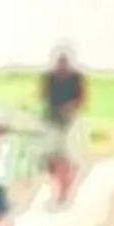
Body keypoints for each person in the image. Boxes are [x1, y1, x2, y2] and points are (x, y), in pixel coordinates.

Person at [39, 43, 88, 206]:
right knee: (49, 160)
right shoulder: (49, 78)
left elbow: (82, 99)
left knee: (63, 158)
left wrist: (70, 108)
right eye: (59, 62)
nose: (61, 65)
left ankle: (62, 194)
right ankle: (62, 187)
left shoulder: (76, 78)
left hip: (68, 122)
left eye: (64, 62)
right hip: (51, 120)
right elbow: (43, 96)